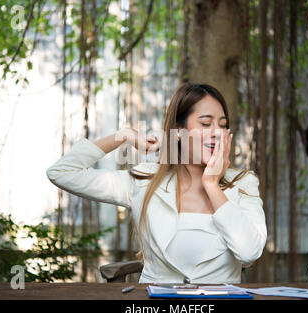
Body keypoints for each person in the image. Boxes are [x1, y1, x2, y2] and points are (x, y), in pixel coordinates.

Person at [46, 83, 267, 284]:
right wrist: (123, 136)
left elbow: (249, 253)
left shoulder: (244, 183)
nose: (217, 133)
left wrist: (211, 184)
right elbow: (62, 173)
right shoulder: (145, 180)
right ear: (179, 131)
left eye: (222, 125)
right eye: (206, 123)